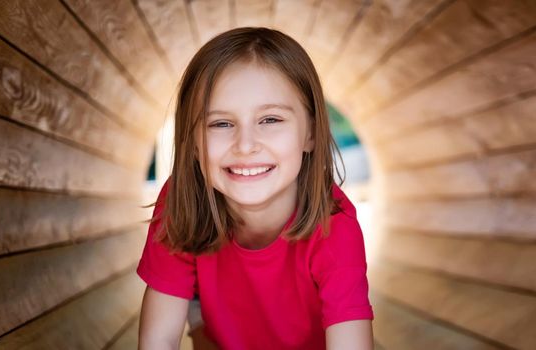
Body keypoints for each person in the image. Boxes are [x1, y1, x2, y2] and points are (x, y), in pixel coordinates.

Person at [136, 27, 374, 350]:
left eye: (270, 120)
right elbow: (159, 341)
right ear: (192, 143)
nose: (245, 145)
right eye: (220, 123)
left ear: (311, 133)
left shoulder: (335, 227)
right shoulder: (182, 201)